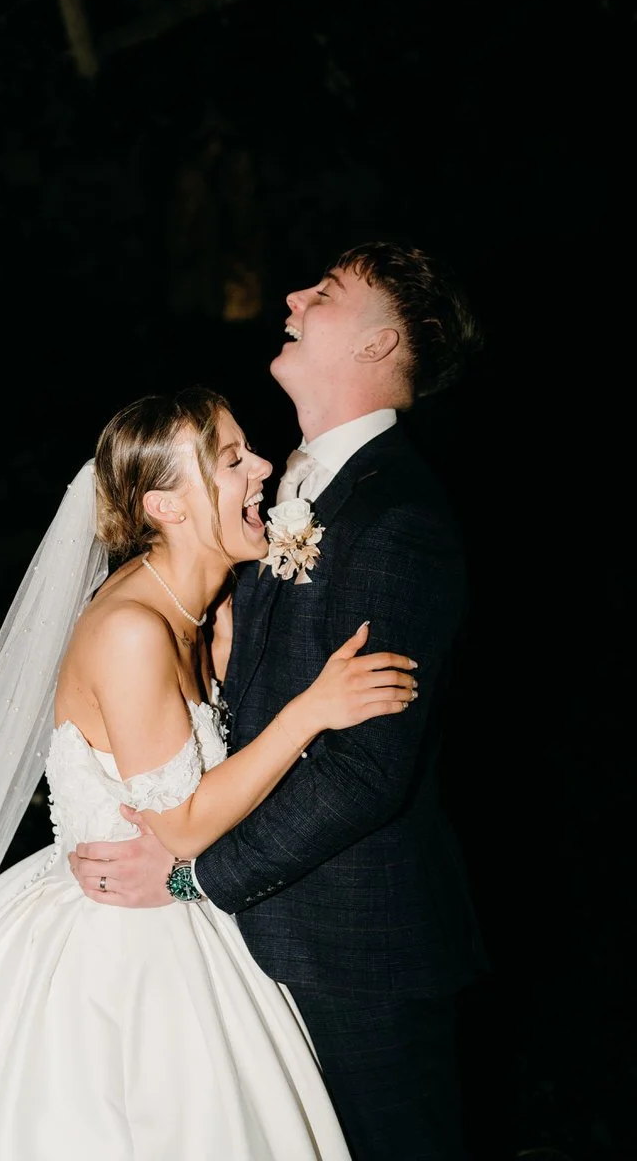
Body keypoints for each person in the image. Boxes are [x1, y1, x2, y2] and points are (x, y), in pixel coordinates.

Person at [0, 387, 420, 1160]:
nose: (263, 465)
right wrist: (309, 712)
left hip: (185, 914)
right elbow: (178, 824)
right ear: (168, 506)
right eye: (232, 458)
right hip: (116, 951)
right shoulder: (132, 630)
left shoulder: (202, 609)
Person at [69, 240, 489, 1160]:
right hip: (255, 947)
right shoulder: (284, 491)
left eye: (327, 292)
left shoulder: (395, 521)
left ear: (380, 347)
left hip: (354, 952)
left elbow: (364, 775)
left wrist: (192, 880)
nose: (292, 293)